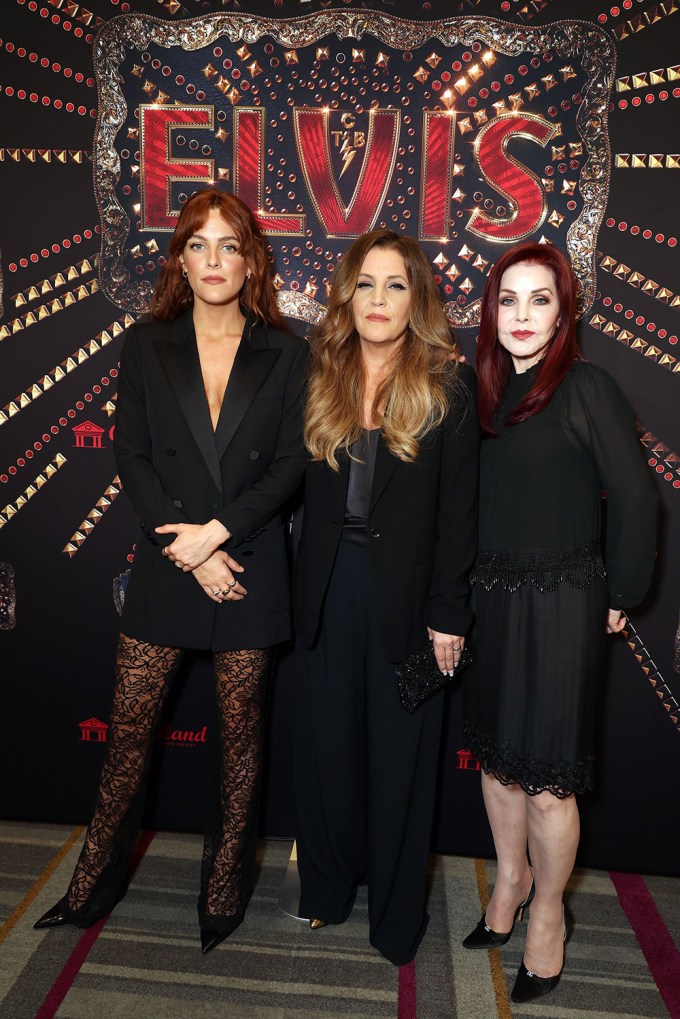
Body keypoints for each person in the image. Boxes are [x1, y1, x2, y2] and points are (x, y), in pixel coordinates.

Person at [34, 188, 308, 953]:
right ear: (179, 257)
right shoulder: (145, 344)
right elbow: (134, 455)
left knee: (242, 742)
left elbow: (288, 467)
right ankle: (89, 884)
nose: (215, 260)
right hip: (168, 564)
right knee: (126, 736)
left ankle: (222, 893)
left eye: (229, 245)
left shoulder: (288, 351)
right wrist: (188, 551)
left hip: (247, 569)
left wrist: (217, 536)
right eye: (199, 244)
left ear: (251, 257)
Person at [462, 242, 657, 1002]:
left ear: (564, 309)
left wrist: (622, 592)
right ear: (490, 311)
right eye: (508, 299)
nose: (521, 315)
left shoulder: (586, 388)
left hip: (563, 601)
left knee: (546, 783)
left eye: (539, 299)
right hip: (493, 598)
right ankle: (508, 881)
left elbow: (639, 499)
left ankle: (548, 911)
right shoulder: (479, 388)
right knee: (497, 761)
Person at [294, 229, 479, 965]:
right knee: (328, 750)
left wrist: (448, 612)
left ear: (417, 298)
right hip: (328, 589)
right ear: (347, 294)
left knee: (402, 759)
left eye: (395, 285)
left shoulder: (446, 385)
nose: (378, 300)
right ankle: (329, 889)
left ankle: (396, 916)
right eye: (365, 284)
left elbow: (460, 510)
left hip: (408, 600)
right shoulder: (318, 376)